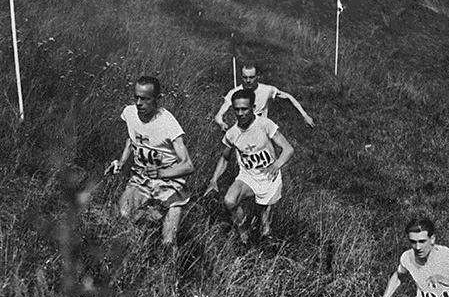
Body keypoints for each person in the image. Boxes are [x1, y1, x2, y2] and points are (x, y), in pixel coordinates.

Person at [105, 75, 194, 246]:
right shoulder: (129, 113)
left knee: (168, 242)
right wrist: (121, 163)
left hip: (169, 182)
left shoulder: (168, 123)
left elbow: (188, 165)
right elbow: (131, 139)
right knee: (122, 216)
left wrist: (161, 173)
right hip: (142, 178)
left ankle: (168, 262)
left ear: (157, 99)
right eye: (136, 97)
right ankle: (149, 220)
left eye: (145, 99)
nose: (139, 103)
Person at [205, 89, 294, 243]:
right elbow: (225, 158)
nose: (240, 113)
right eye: (236, 109)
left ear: (253, 107)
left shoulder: (265, 124)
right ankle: (244, 234)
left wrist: (276, 165)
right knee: (229, 200)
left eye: (244, 109)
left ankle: (266, 246)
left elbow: (288, 149)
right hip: (248, 176)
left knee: (265, 227)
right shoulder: (232, 133)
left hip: (268, 178)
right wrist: (214, 180)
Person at [213, 64, 315, 131]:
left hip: (262, 130)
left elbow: (288, 97)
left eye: (251, 77)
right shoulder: (235, 93)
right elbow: (218, 115)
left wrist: (305, 116)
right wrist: (222, 124)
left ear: (258, 76)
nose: (248, 81)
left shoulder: (267, 90)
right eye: (245, 77)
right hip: (242, 131)